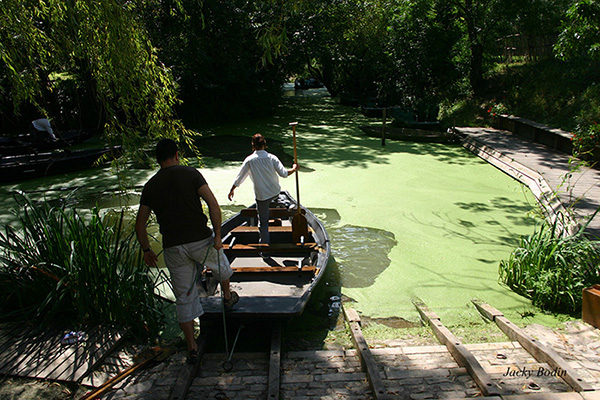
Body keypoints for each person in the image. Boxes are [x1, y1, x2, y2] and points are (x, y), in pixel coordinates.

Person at [136, 138, 238, 364]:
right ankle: (228, 297)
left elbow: (140, 224)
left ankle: (192, 346)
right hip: (200, 240)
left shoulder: (150, 186)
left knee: (184, 297)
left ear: (158, 159)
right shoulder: (191, 174)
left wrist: (146, 250)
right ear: (176, 154)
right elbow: (212, 203)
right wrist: (219, 236)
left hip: (173, 247)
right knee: (221, 266)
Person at [228, 133, 298, 245]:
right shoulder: (272, 158)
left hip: (261, 196)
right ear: (265, 145)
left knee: (263, 223)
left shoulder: (249, 160)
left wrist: (232, 189)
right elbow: (284, 174)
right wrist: (294, 169)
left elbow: (239, 178)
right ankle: (287, 204)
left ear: (253, 145)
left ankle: (265, 246)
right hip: (274, 192)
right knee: (280, 196)